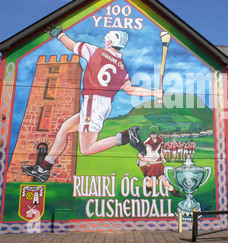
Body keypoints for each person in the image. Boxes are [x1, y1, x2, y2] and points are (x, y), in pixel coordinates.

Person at [22, 26, 162, 183]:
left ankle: (126, 137)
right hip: (103, 104)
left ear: (109, 41)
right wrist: (153, 92)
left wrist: (60, 35)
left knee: (86, 149)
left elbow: (72, 45)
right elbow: (129, 90)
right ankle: (44, 168)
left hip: (93, 101)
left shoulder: (95, 51)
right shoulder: (122, 67)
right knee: (65, 128)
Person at [136, 126, 182, 197]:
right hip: (149, 166)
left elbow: (161, 151)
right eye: (152, 134)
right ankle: (147, 186)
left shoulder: (160, 140)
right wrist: (147, 161)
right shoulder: (146, 143)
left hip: (157, 162)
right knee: (155, 183)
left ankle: (174, 192)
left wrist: (163, 158)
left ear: (157, 134)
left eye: (154, 134)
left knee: (164, 180)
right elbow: (139, 155)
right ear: (150, 134)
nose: (153, 136)